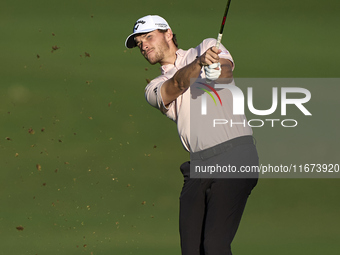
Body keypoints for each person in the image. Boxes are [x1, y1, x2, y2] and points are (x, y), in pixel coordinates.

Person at [125, 15, 259, 255]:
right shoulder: (153, 87)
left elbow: (226, 74)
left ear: (168, 33)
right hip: (198, 166)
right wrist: (199, 64)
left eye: (148, 36)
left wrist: (213, 66)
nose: (143, 45)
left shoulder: (207, 46)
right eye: (138, 42)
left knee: (215, 246)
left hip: (235, 155)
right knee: (191, 250)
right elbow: (176, 85)